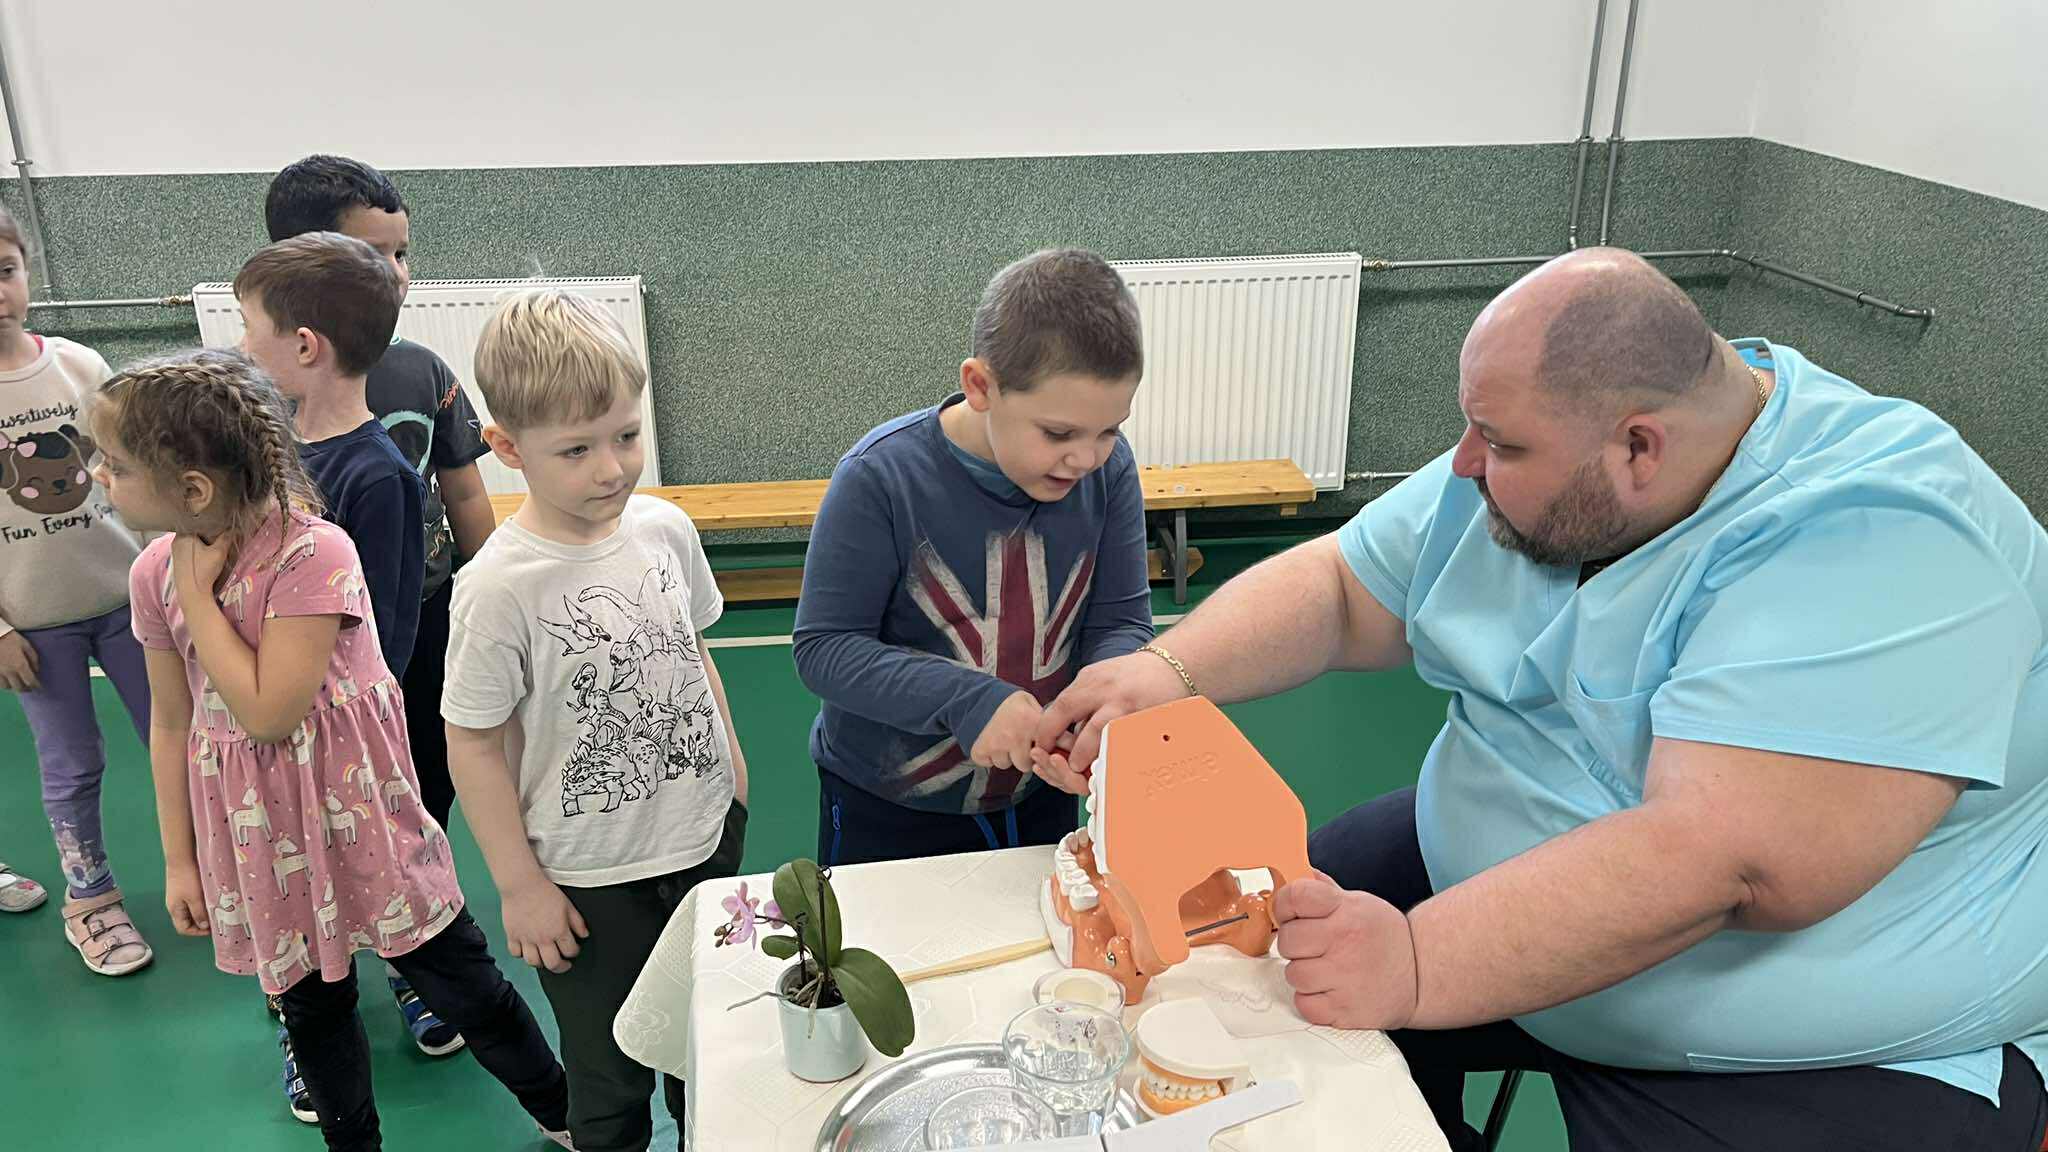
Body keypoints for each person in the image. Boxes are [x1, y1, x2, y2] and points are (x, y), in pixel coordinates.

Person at [1036, 248, 2048, 1150]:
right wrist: (1168, 672)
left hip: (1811, 1042)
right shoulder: (1564, 451)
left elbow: (1724, 862)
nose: (1463, 464)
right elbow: (1345, 586)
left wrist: (1416, 964)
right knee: (1243, 987)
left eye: (1499, 443)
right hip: (1501, 865)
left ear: (1639, 449)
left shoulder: (1886, 536)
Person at [93, 349, 570, 1151]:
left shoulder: (312, 552)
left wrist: (198, 596)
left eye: (116, 464)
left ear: (194, 488)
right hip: (263, 838)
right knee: (312, 1010)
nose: (100, 476)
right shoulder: (151, 575)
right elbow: (172, 722)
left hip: (364, 820)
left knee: (462, 982)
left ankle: (562, 1113)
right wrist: (181, 860)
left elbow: (270, 712)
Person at [444, 290, 748, 1152]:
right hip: (587, 882)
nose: (612, 469)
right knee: (610, 1071)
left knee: (706, 1043)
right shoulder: (498, 588)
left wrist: (731, 771)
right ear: (508, 448)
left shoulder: (664, 530)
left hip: (703, 840)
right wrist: (520, 886)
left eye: (626, 435)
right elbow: (472, 744)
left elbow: (692, 648)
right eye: (576, 450)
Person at [791, 248, 1152, 866]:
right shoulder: (880, 478)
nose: (1086, 458)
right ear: (981, 387)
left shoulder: (1109, 470)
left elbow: (1121, 622)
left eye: (1110, 428)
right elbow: (825, 649)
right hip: (888, 811)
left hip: (1043, 796)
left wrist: (1101, 703)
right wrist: (966, 700)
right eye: (1058, 433)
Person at [265, 153, 498, 830]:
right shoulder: (263, 393)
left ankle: (422, 870)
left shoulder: (423, 371)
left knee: (429, 776)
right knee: (340, 790)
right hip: (320, 635)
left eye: (402, 254)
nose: (396, 275)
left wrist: (488, 594)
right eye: (373, 256)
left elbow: (464, 494)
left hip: (427, 614)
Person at [0, 204, 153, 975]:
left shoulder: (78, 366)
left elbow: (138, 471)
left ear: (27, 272)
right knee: (72, 764)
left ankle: (228, 874)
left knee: (184, 743)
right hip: (34, 626)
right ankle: (90, 899)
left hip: (132, 605)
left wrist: (171, 574)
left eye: (5, 270)